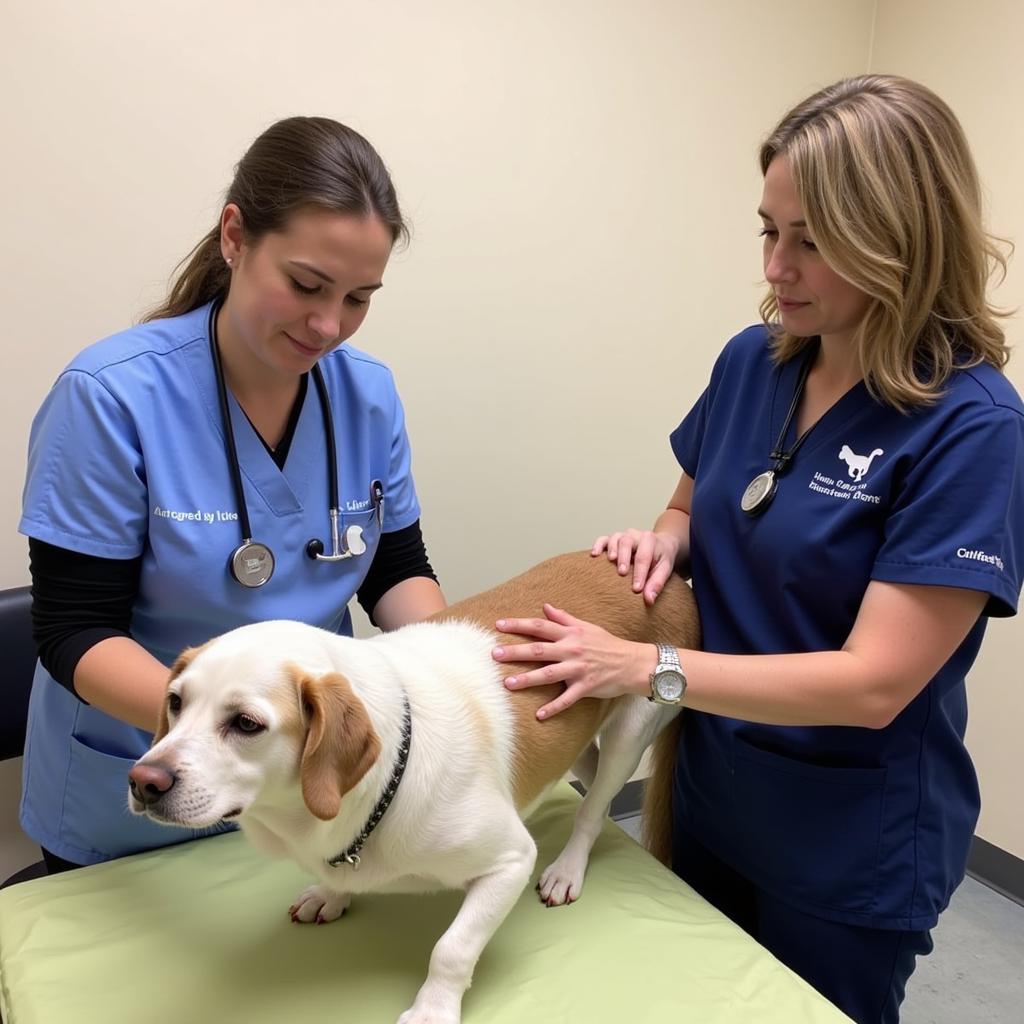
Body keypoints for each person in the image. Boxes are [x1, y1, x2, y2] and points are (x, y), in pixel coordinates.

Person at [491, 75, 1024, 1024]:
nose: (777, 267)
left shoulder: (972, 430)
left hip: (847, 843)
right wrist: (655, 547)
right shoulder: (755, 358)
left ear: (900, 234)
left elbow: (872, 684)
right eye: (769, 231)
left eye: (812, 241)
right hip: (712, 794)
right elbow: (689, 511)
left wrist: (642, 666)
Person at [19, 116, 445, 872]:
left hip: (307, 794)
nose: (328, 325)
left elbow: (394, 570)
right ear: (234, 238)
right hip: (143, 792)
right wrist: (218, 735)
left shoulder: (367, 397)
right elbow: (73, 631)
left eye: (358, 298)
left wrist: (449, 670)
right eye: (307, 285)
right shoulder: (111, 397)